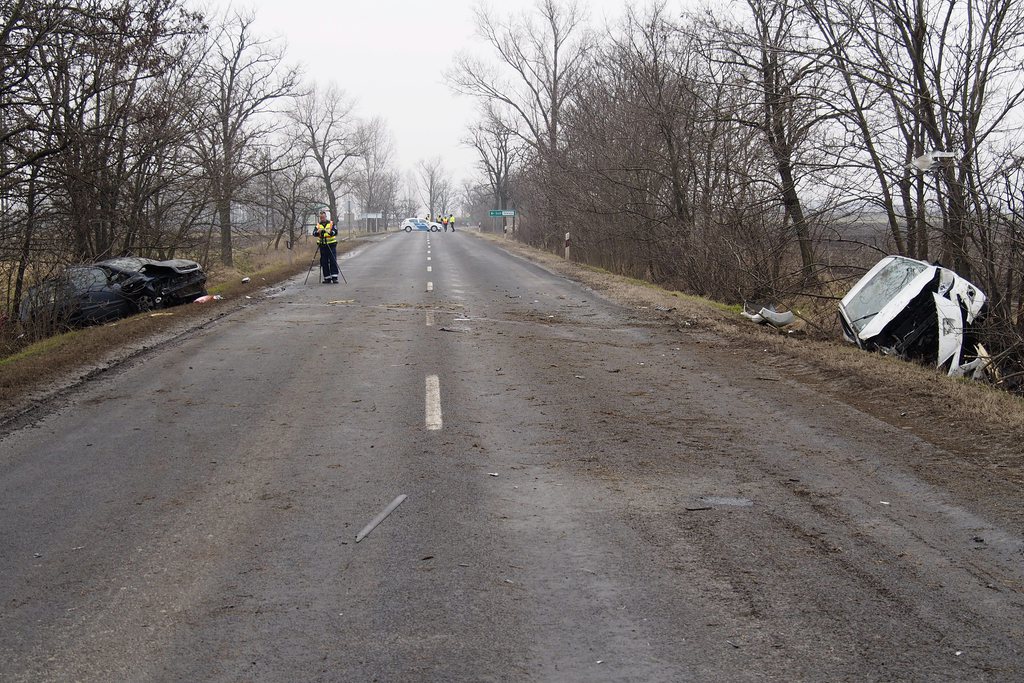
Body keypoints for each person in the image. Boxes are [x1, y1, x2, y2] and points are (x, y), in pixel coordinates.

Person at [314, 209, 339, 283]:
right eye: (321, 217)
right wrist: (318, 232)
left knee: (333, 260)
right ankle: (327, 278)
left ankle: (334, 277)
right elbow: (314, 233)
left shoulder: (331, 223)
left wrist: (330, 232)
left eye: (323, 217)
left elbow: (335, 231)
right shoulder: (318, 225)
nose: (322, 219)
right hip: (322, 245)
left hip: (331, 245)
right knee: (324, 262)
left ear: (326, 217)